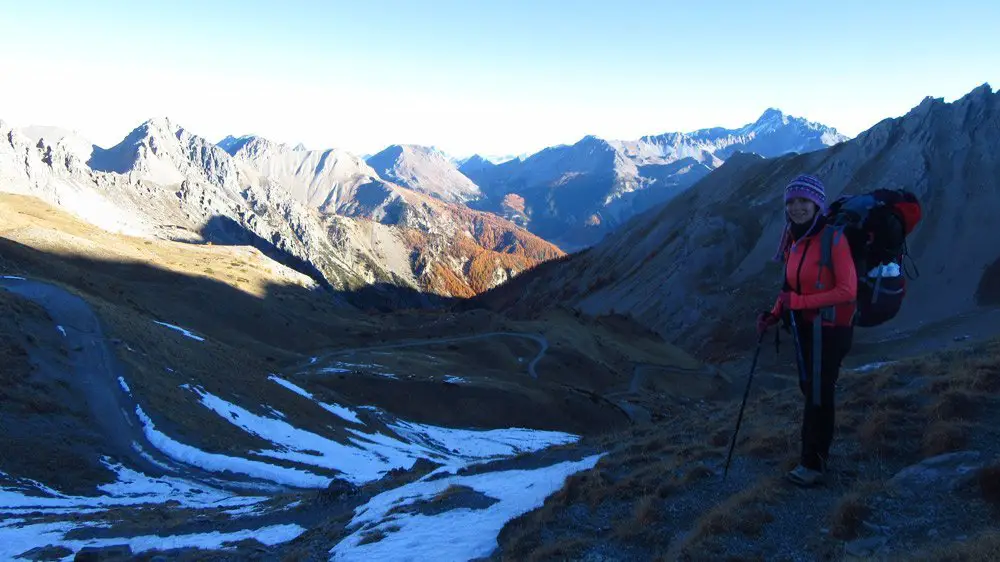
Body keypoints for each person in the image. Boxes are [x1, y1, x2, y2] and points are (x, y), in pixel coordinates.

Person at [756, 174, 857, 487]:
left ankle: (812, 463)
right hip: (804, 328)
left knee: (819, 393)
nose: (797, 207)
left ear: (817, 204)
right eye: (791, 202)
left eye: (803, 201)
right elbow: (789, 286)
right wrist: (774, 314)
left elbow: (847, 291)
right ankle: (813, 454)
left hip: (830, 330)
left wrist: (799, 302)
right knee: (810, 390)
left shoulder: (834, 239)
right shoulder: (793, 241)